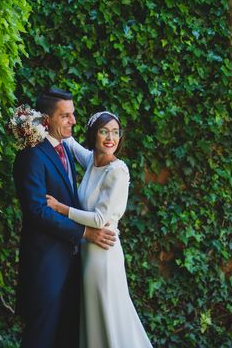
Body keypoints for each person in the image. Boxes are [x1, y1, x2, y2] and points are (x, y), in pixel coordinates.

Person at [13, 88, 117, 348]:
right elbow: (37, 211)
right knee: (40, 339)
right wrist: (84, 233)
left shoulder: (66, 150)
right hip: (45, 266)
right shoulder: (31, 157)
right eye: (66, 116)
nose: (73, 121)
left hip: (73, 265)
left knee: (66, 339)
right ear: (47, 120)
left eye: (73, 115)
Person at [46, 110, 153, 348]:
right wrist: (42, 122)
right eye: (104, 131)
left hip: (103, 255)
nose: (110, 138)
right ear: (94, 135)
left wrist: (60, 208)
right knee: (93, 317)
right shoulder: (94, 161)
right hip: (87, 252)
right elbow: (70, 143)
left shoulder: (118, 171)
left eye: (115, 133)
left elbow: (100, 218)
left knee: (109, 314)